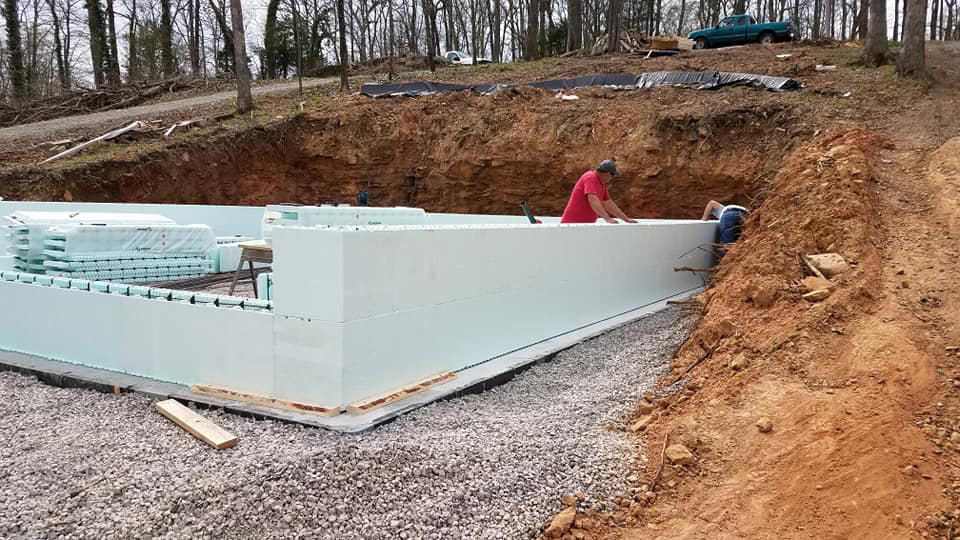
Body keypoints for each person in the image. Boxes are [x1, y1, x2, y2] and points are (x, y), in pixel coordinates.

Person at [560, 160, 637, 224]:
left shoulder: (601, 184)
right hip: (571, 225)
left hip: (583, 226)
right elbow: (593, 200)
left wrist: (626, 219)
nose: (612, 178)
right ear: (607, 173)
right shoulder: (590, 177)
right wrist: (607, 219)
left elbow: (608, 203)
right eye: (612, 175)